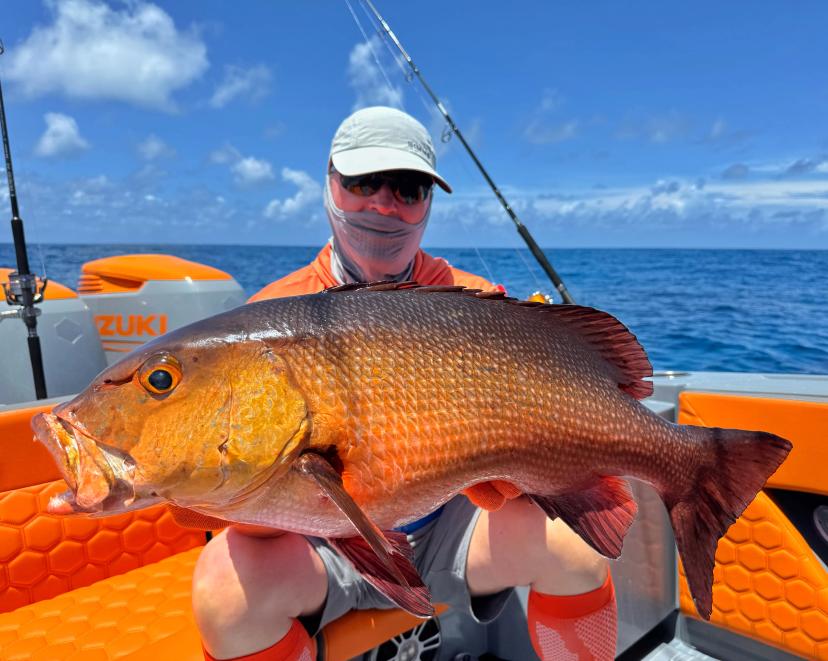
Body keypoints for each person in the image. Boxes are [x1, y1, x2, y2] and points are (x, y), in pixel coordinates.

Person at [192, 106, 616, 661]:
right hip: (327, 546)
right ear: (329, 185)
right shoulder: (270, 318)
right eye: (364, 182)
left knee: (576, 548)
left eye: (409, 189)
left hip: (453, 527)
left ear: (428, 205)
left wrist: (520, 454)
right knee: (222, 592)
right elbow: (252, 524)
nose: (384, 204)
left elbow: (514, 478)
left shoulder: (477, 305)